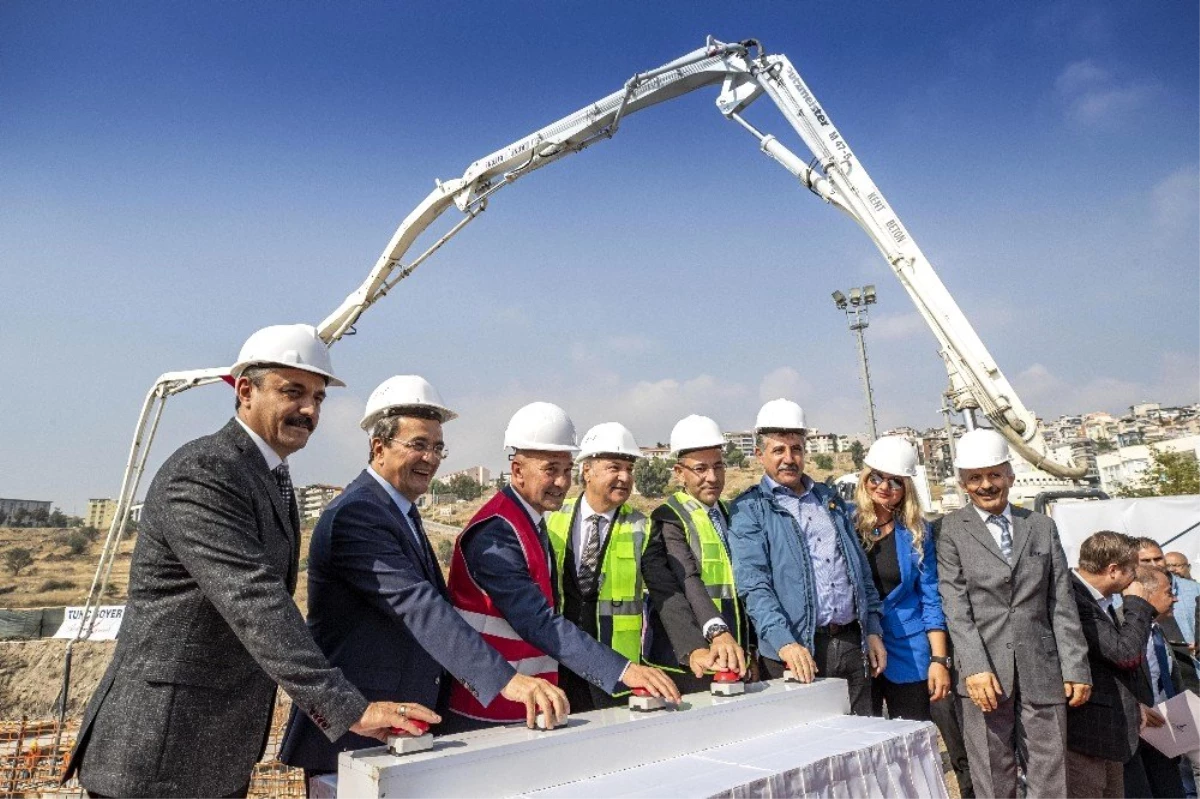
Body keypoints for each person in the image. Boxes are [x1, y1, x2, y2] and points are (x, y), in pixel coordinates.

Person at [66, 325, 421, 799]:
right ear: (246, 391)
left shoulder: (268, 475)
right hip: (159, 752)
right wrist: (348, 709)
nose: (310, 410)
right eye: (292, 392)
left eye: (318, 397)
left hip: (212, 751)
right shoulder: (206, 471)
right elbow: (254, 600)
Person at [279, 377, 567, 784]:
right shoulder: (358, 513)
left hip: (398, 730)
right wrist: (505, 679)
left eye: (437, 447)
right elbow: (420, 608)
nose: (430, 458)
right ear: (378, 447)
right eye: (418, 444)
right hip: (353, 735)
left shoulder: (401, 512)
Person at [447, 404, 678, 726]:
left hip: (528, 698)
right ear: (517, 472)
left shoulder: (531, 521)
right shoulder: (497, 532)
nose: (561, 481)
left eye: (567, 470)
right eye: (550, 469)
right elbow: (537, 621)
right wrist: (623, 670)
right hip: (489, 704)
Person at [937, 428, 1091, 799]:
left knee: (1050, 770)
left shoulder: (1040, 527)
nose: (986, 485)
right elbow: (956, 607)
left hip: (1042, 668)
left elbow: (1061, 602)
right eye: (975, 478)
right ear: (963, 484)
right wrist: (974, 667)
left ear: (1010, 476)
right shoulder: (950, 531)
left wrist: (1075, 666)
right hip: (985, 673)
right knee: (992, 770)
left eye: (994, 475)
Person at [728, 399, 886, 716]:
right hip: (798, 652)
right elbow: (754, 586)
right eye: (779, 450)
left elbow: (858, 571)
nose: (789, 458)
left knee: (861, 745)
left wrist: (872, 630)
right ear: (760, 455)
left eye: (796, 449)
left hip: (853, 646)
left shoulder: (828, 500)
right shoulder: (750, 510)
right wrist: (785, 642)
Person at [544, 421, 682, 711]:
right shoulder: (551, 519)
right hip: (557, 667)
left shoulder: (642, 527)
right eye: (615, 467)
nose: (625, 477)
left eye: (629, 469)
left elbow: (665, 592)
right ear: (587, 471)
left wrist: (696, 645)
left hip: (616, 673)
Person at [643, 415, 751, 693]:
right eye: (701, 469)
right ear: (679, 472)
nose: (712, 478)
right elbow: (687, 578)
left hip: (733, 650)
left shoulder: (728, 512)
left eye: (718, 466)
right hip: (696, 657)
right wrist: (717, 631)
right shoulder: (668, 517)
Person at [851, 436, 949, 721]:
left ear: (906, 487)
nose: (884, 487)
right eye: (877, 478)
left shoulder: (917, 533)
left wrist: (939, 660)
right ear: (865, 477)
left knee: (912, 740)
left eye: (895, 482)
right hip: (860, 649)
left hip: (908, 650)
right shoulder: (846, 524)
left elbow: (931, 598)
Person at [1065, 531, 1157, 799]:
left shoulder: (1100, 600)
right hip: (1087, 734)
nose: (1137, 576)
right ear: (1114, 570)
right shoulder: (1073, 597)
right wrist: (1137, 604)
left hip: (1111, 731)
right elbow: (1125, 654)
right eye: (1134, 569)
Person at [1124, 565, 1185, 799]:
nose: (1175, 598)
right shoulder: (1126, 631)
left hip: (1167, 736)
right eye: (1169, 592)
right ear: (1147, 594)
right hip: (1138, 740)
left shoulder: (1158, 631)